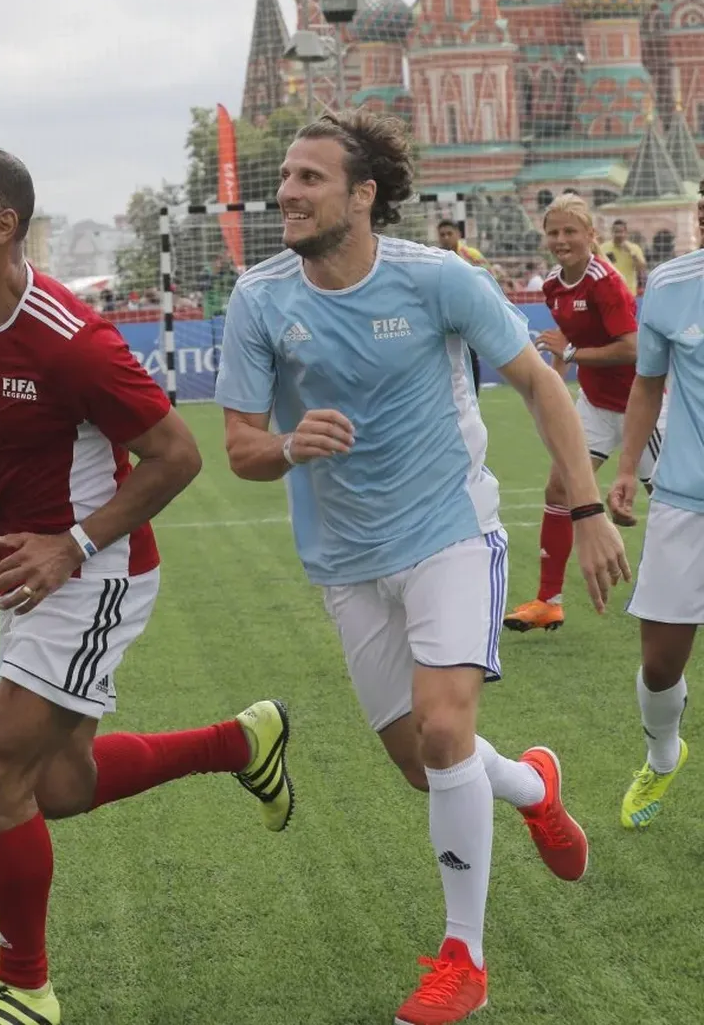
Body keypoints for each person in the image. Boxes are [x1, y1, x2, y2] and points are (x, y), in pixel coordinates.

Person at [214, 109, 628, 1025]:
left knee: (444, 734)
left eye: (311, 178)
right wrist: (289, 446)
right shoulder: (260, 298)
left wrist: (588, 507)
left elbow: (539, 382)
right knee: (422, 764)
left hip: (450, 531)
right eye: (285, 176)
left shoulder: (439, 278)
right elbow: (239, 446)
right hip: (343, 560)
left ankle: (463, 958)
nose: (288, 191)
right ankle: (531, 787)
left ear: (363, 196)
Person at [0, 147, 293, 1025]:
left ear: (2, 227)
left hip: (96, 573)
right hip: (33, 574)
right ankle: (242, 743)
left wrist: (72, 547)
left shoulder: (73, 339)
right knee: (59, 788)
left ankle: (25, 989)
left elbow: (178, 455)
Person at [504, 195, 659, 635]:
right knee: (558, 487)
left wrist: (570, 353)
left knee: (671, 500)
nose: (561, 240)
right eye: (553, 232)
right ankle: (548, 601)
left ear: (592, 235)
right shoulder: (553, 285)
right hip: (593, 404)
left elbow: (632, 348)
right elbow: (564, 348)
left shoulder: (606, 283)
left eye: (571, 231)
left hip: (637, 406)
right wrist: (552, 384)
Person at [606, 233, 703, 830]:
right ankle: (664, 753)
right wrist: (624, 469)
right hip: (685, 501)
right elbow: (647, 384)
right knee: (661, 662)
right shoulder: (670, 283)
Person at [437, 219, 488, 393]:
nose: (445, 238)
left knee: (471, 355)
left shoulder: (470, 254)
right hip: (444, 314)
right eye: (442, 234)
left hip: (469, 312)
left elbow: (489, 277)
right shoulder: (434, 256)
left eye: (449, 233)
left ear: (458, 234)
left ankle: (475, 395)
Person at [603, 218, 647, 296]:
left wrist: (631, 253)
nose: (619, 235)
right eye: (616, 232)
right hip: (609, 292)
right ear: (612, 232)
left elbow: (641, 268)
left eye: (621, 232)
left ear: (626, 233)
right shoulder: (603, 248)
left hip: (628, 292)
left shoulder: (634, 248)